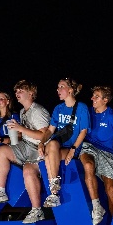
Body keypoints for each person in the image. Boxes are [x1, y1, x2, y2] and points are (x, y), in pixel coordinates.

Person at [0, 80, 51, 224]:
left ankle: (33, 208)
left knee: (17, 162)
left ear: (31, 93)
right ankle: (2, 193)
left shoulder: (38, 111)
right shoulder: (24, 111)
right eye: (16, 91)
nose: (17, 93)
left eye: (21, 91)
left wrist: (21, 129)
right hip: (27, 147)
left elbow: (45, 135)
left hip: (39, 150)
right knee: (9, 156)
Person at [79, 85, 113, 225]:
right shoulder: (87, 111)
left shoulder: (112, 116)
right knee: (88, 164)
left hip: (106, 153)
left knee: (111, 190)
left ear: (105, 100)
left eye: (96, 97)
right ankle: (97, 207)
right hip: (89, 147)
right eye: (93, 96)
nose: (92, 99)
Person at [39, 77, 90, 208]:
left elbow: (83, 131)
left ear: (71, 90)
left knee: (48, 154)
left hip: (72, 147)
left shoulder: (82, 108)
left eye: (62, 86)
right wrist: (41, 142)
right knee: (50, 146)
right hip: (57, 146)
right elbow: (50, 130)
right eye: (58, 87)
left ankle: (53, 193)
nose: (58, 90)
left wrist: (73, 149)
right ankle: (54, 188)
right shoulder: (58, 108)